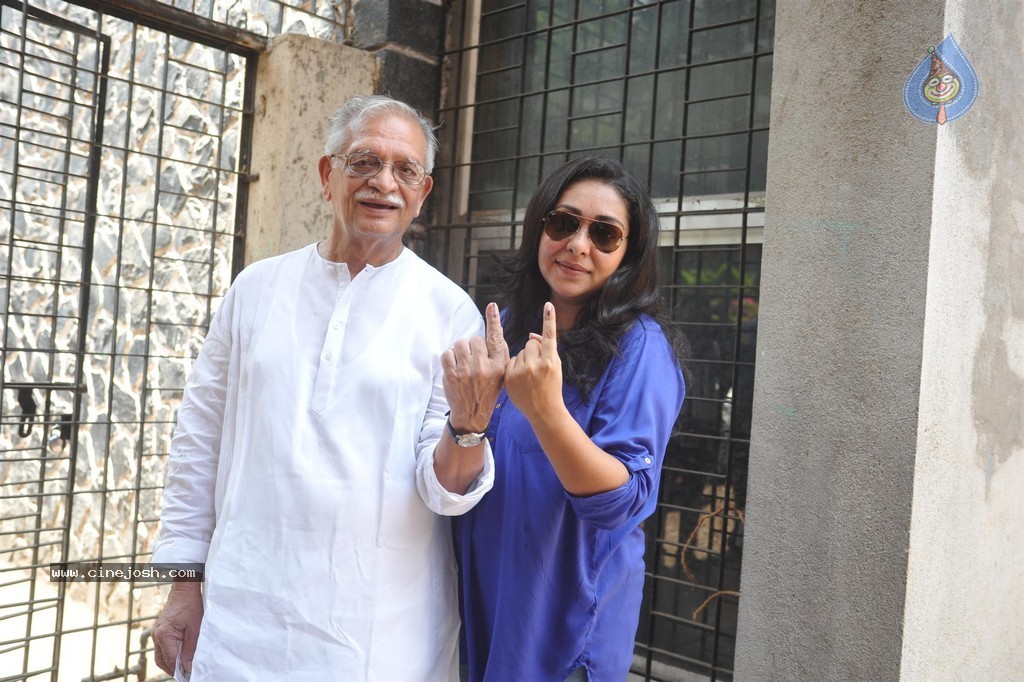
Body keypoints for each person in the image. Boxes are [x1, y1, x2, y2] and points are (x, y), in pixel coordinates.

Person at [150, 95, 506, 681]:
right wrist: (183, 586)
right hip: (242, 618)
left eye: (404, 170)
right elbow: (199, 443)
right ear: (326, 175)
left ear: (422, 193)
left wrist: (468, 428)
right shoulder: (255, 289)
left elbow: (443, 492)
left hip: (379, 635)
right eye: (363, 161)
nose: (382, 183)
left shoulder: (449, 313)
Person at [453, 157, 687, 681]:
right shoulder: (509, 327)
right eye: (564, 223)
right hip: (487, 602)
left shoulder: (640, 349)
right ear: (540, 227)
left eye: (605, 234)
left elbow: (624, 498)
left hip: (561, 632)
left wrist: (548, 413)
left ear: (628, 256)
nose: (578, 244)